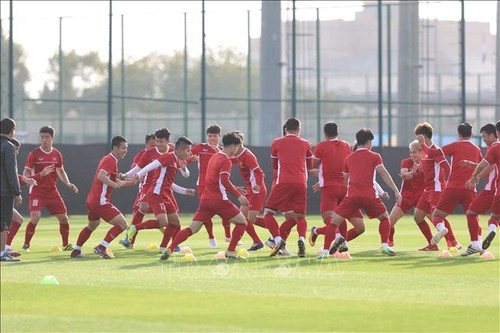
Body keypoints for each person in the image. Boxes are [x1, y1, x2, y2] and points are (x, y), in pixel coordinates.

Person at [160, 131, 249, 260]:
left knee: (192, 228)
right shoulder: (226, 161)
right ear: (231, 146)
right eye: (237, 147)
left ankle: (170, 248)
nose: (237, 150)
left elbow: (215, 179)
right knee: (242, 223)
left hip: (206, 199)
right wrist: (238, 196)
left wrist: (234, 188)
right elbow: (224, 180)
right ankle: (231, 251)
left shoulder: (215, 156)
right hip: (219, 200)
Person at [328, 128, 402, 256]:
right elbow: (383, 174)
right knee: (385, 218)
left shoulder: (349, 158)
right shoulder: (375, 156)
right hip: (369, 197)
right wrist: (396, 191)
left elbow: (345, 181)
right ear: (368, 142)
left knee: (335, 222)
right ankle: (384, 245)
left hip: (352, 197)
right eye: (371, 142)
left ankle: (325, 250)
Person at [417, 123, 483, 254]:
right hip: (470, 188)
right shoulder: (477, 149)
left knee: (437, 216)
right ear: (471, 134)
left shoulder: (454, 145)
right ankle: (477, 243)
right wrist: (475, 177)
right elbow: (482, 166)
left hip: (453, 187)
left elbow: (432, 152)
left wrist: (422, 144)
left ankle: (442, 229)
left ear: (459, 134)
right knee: (473, 216)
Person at [70, 136, 136, 259]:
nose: (125, 151)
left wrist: (129, 182)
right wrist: (114, 184)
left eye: (126, 148)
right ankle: (102, 247)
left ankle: (76, 251)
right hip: (100, 201)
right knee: (122, 224)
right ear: (115, 148)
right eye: (123, 148)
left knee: (92, 226)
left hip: (92, 200)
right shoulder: (110, 160)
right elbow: (101, 176)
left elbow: (111, 178)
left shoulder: (109, 159)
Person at [125, 137, 194, 251]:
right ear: (180, 150)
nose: (189, 153)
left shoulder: (176, 160)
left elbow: (170, 182)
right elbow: (152, 165)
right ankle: (135, 228)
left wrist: (185, 191)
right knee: (163, 222)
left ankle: (163, 247)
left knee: (175, 222)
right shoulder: (168, 157)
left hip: (166, 195)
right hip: (156, 194)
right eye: (188, 150)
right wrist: (139, 174)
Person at [308, 122, 364, 258]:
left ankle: (327, 234)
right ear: (338, 133)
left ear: (325, 134)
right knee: (358, 227)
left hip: (330, 189)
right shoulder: (346, 145)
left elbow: (313, 166)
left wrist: (319, 176)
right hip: (346, 189)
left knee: (330, 219)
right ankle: (339, 240)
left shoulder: (321, 146)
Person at [118, 128, 180, 249]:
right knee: (141, 208)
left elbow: (183, 164)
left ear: (167, 141)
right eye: (155, 142)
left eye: (160, 141)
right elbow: (138, 168)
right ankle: (129, 239)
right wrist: (126, 175)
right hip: (148, 187)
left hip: (165, 188)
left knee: (173, 219)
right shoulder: (147, 154)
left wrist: (184, 170)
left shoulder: (173, 152)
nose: (157, 145)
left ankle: (173, 244)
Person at [22, 125, 79, 252]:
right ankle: (26, 245)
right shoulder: (34, 154)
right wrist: (28, 178)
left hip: (52, 191)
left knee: (64, 218)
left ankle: (65, 245)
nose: (44, 140)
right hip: (37, 191)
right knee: (35, 217)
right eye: (42, 137)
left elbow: (61, 170)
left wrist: (68, 184)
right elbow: (26, 172)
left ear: (52, 138)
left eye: (47, 137)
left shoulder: (57, 154)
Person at [263, 117, 314, 257]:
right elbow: (309, 166)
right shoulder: (306, 144)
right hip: (301, 183)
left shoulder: (277, 142)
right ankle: (301, 239)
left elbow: (274, 166)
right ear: (299, 130)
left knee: (268, 213)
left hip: (283, 182)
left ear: (285, 129)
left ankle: (277, 240)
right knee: (300, 217)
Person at [412, 122, 460, 250]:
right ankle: (432, 245)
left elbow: (447, 167)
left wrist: (450, 183)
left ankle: (453, 242)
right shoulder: (427, 152)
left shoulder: (436, 151)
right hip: (427, 190)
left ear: (423, 136)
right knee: (418, 217)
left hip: (437, 189)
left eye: (417, 137)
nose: (416, 139)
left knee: (437, 217)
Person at [5, 138, 55, 257]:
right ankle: (4, 248)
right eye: (16, 149)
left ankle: (6, 247)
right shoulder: (7, 159)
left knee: (17, 219)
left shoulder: (9, 159)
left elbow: (15, 176)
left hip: (5, 197)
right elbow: (10, 176)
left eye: (17, 150)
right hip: (3, 197)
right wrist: (18, 192)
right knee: (6, 223)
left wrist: (27, 179)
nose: (16, 152)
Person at [465, 120, 500, 253]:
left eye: (485, 136)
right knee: (497, 217)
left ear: (495, 134)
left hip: (492, 189)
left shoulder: (494, 148)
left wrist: (475, 177)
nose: (484, 139)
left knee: (471, 213)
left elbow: (488, 166)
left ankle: (475, 244)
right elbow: (492, 165)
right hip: (494, 189)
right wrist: (473, 165)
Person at [187, 124, 224, 248]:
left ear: (219, 137)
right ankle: (211, 238)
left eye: (214, 136)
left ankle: (228, 236)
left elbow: (230, 160)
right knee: (206, 212)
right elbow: (185, 156)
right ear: (207, 136)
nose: (212, 138)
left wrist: (218, 152)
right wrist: (189, 159)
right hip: (203, 185)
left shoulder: (223, 150)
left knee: (226, 209)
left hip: (219, 185)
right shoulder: (200, 147)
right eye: (210, 136)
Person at [230, 131, 268, 251]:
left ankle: (279, 233)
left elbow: (259, 172)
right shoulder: (239, 154)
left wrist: (257, 184)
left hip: (257, 190)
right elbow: (233, 160)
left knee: (251, 219)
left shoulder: (247, 155)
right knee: (241, 219)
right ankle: (257, 241)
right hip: (250, 190)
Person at [388, 140, 427, 248]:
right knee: (389, 222)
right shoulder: (406, 162)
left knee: (436, 218)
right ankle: (389, 241)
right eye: (411, 152)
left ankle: (448, 242)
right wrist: (413, 172)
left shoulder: (426, 163)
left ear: (421, 152)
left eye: (414, 152)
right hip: (405, 196)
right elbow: (405, 175)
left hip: (421, 197)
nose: (412, 155)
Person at [0, 118, 22, 262]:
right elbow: (10, 171)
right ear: (11, 130)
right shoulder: (8, 146)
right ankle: (2, 253)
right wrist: (17, 192)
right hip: (4, 192)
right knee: (4, 224)